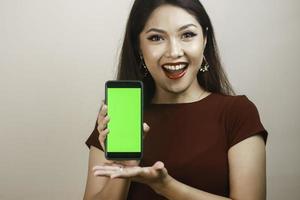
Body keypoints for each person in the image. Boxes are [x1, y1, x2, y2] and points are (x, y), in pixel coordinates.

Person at [83, 0, 268, 199]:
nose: (174, 52)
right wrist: (124, 166)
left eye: (187, 35)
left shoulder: (237, 113)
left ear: (205, 39)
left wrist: (165, 186)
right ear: (138, 46)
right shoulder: (118, 115)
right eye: (156, 38)